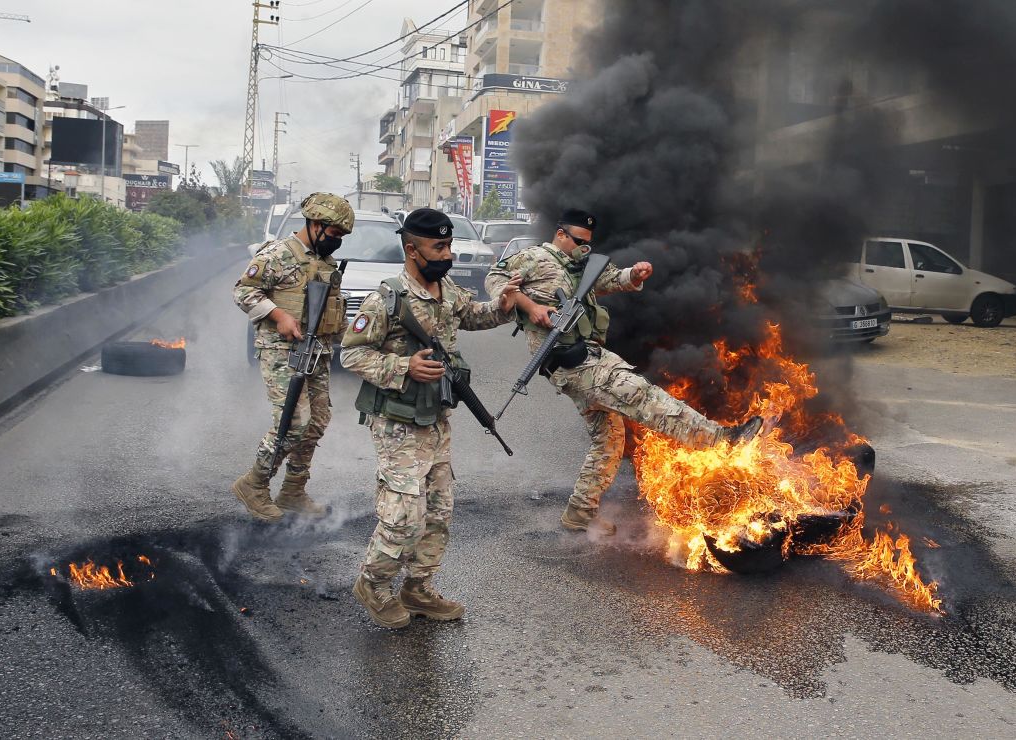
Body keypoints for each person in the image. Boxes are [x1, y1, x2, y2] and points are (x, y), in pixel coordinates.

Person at [485, 209, 763, 536]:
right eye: (578, 241)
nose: (583, 248)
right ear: (560, 234)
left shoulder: (580, 264)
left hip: (587, 354)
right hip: (571, 360)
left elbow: (608, 278)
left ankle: (580, 512)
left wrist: (634, 275)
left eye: (588, 243)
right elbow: (494, 280)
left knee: (609, 440)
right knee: (640, 393)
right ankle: (716, 439)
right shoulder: (532, 258)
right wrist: (532, 308)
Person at [341, 207, 521, 629]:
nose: (448, 254)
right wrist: (404, 368)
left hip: (435, 419)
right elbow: (352, 352)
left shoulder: (446, 291)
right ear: (411, 250)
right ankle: (373, 584)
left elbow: (474, 315)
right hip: (398, 423)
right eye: (438, 247)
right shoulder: (386, 298)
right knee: (403, 514)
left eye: (449, 245)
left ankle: (417, 588)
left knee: (439, 511)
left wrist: (504, 305)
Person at [231, 193, 354, 521]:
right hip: (281, 351)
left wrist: (363, 343)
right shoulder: (279, 253)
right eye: (334, 234)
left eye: (341, 237)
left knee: (317, 422)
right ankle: (254, 484)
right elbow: (243, 291)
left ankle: (293, 491)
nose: (337, 241)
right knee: (294, 422)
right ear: (315, 225)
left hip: (318, 353)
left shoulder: (326, 264)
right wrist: (278, 315)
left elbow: (334, 316)